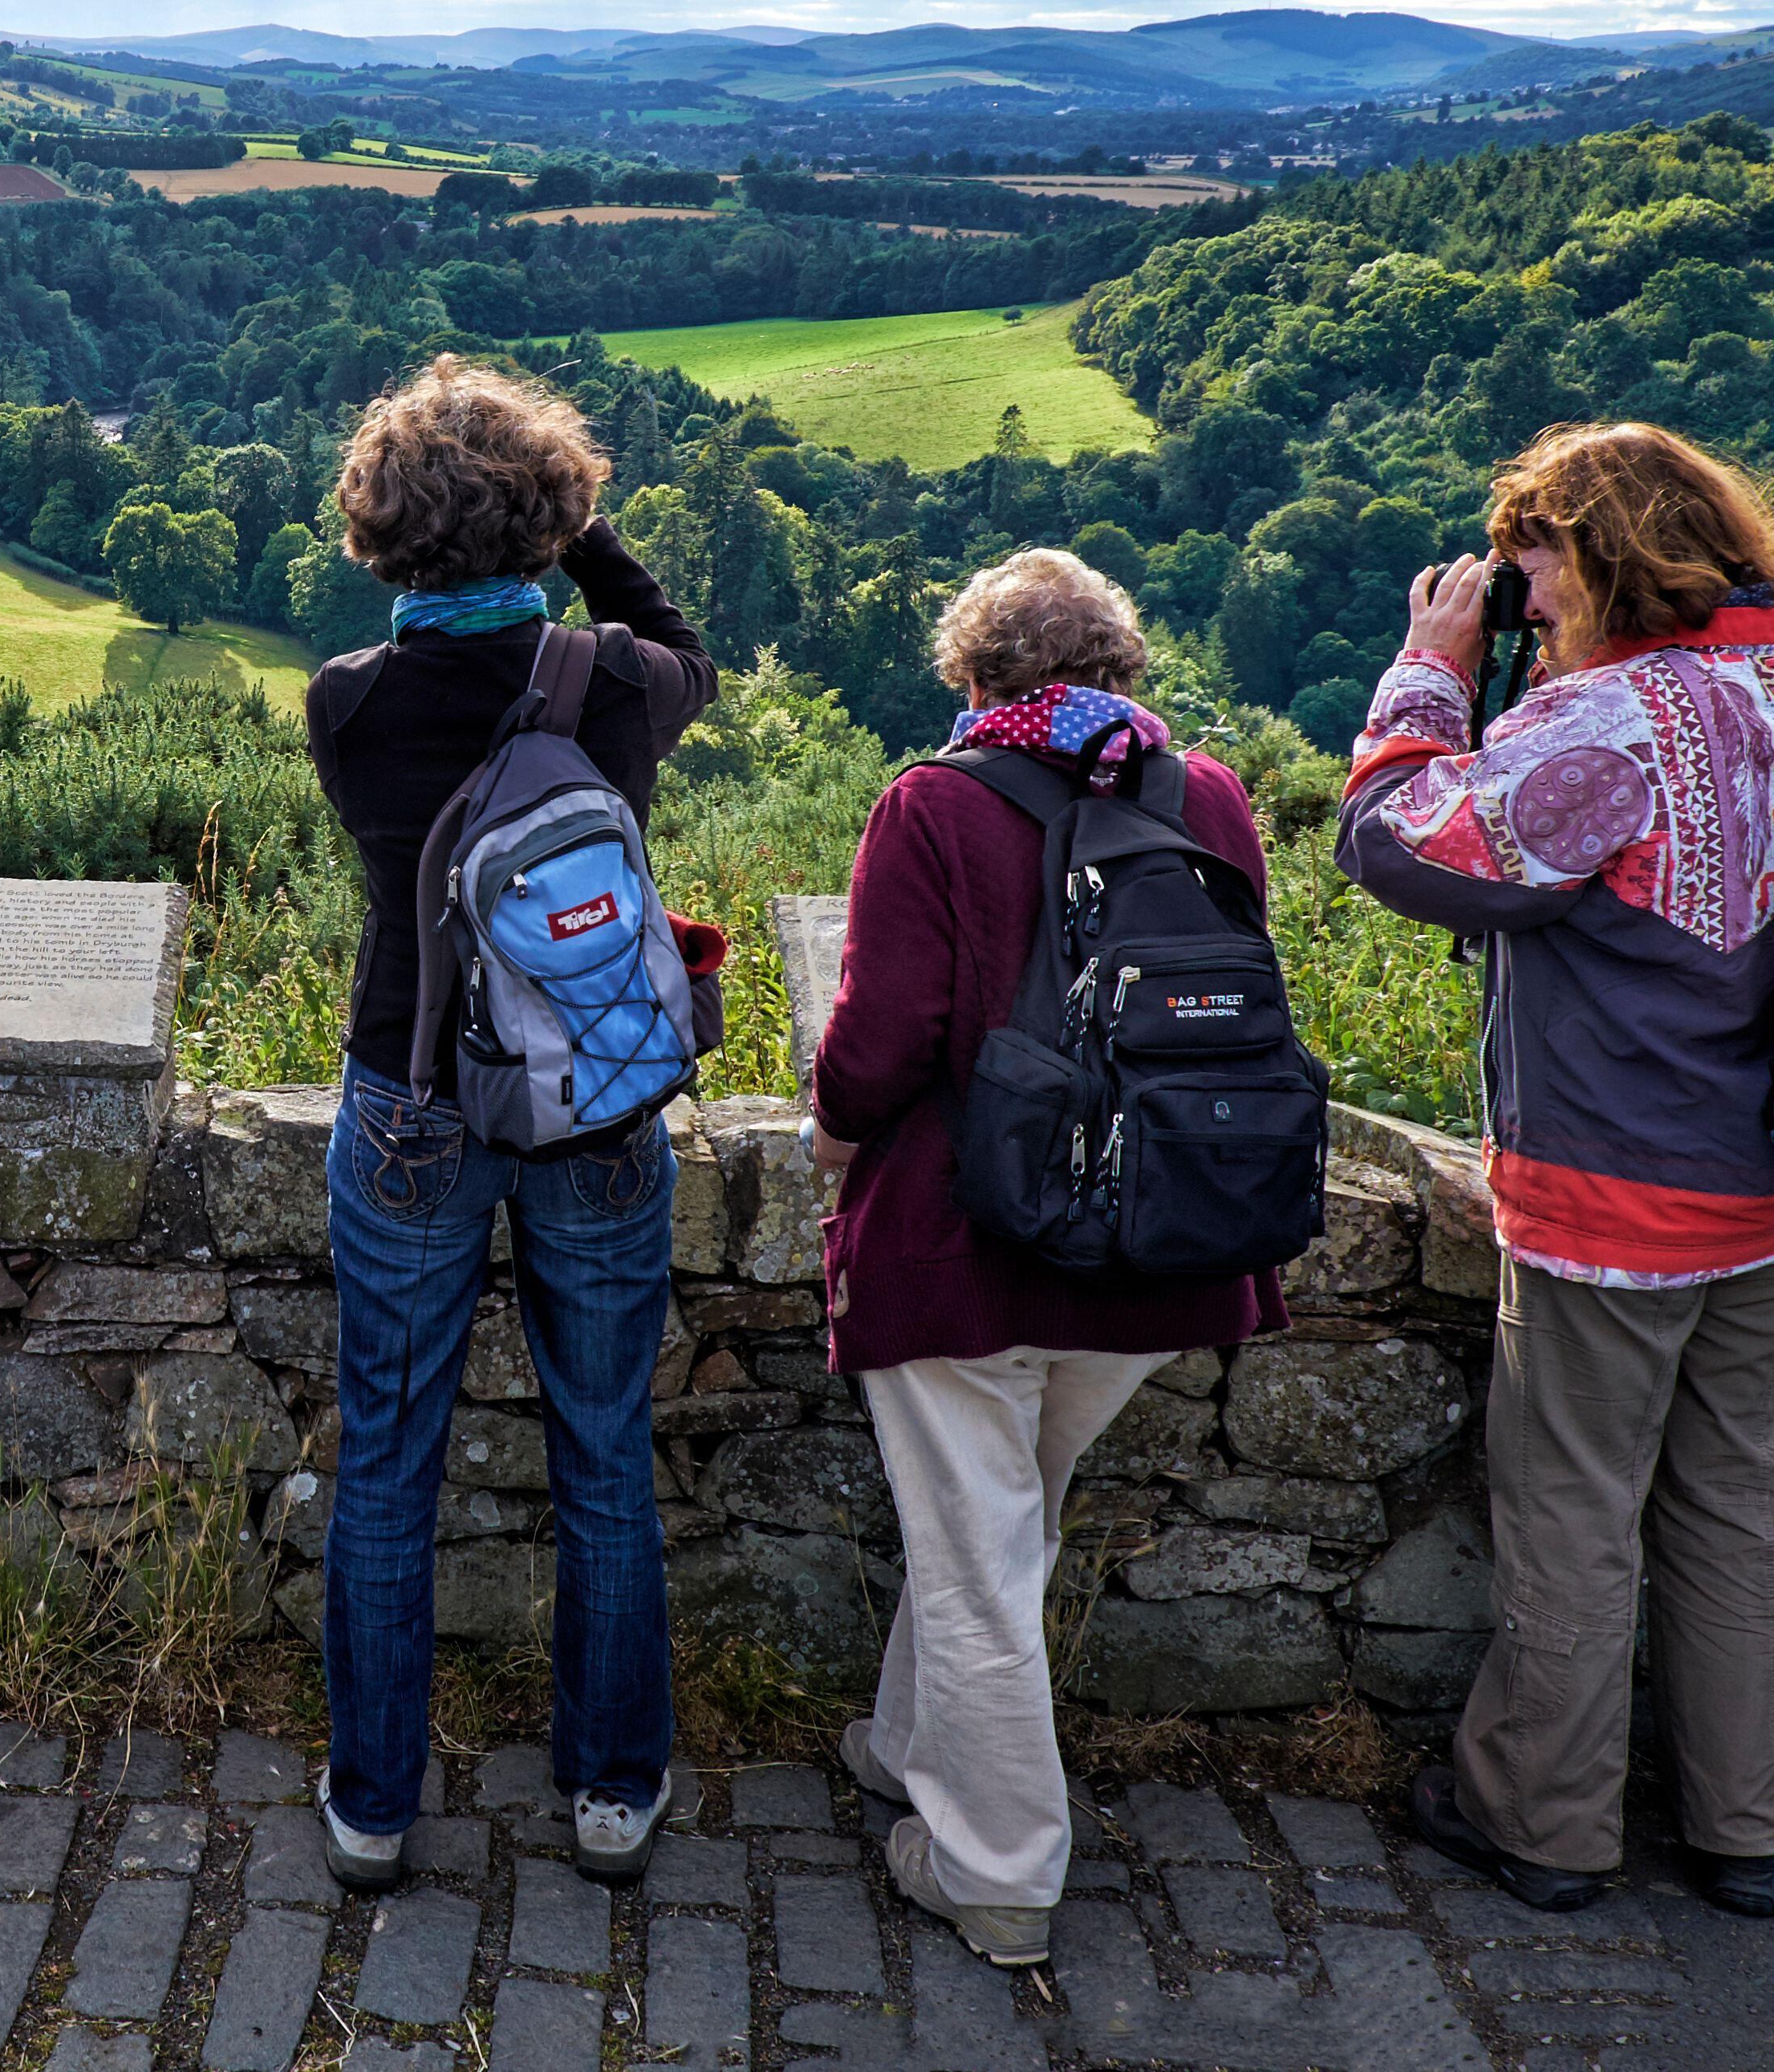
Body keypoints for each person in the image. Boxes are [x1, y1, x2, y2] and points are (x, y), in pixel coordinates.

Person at [1339, 422, 1774, 1922]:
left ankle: (1548, 1827)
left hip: (1618, 1203)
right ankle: (1743, 1829)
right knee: (1735, 1508)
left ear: (1606, 553)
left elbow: (1396, 843)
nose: (1514, 581)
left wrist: (1433, 672)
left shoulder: (1613, 729)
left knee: (1574, 1510)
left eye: (1532, 551)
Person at [805, 549, 1286, 1967]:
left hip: (973, 1239)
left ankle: (999, 1874)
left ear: (973, 678)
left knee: (976, 1565)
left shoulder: (935, 804)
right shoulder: (1204, 794)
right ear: (1125, 670)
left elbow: (884, 1032)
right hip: (1158, 1238)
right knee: (1000, 1534)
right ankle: (907, 1747)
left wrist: (832, 1141)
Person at [301, 358, 718, 1890]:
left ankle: (373, 1802)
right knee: (604, 1447)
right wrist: (584, 539)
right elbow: (689, 653)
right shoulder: (610, 686)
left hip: (410, 1089)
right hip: (593, 1100)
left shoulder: (350, 706)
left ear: (381, 531)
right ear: (548, 517)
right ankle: (612, 1792)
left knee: (388, 1455)